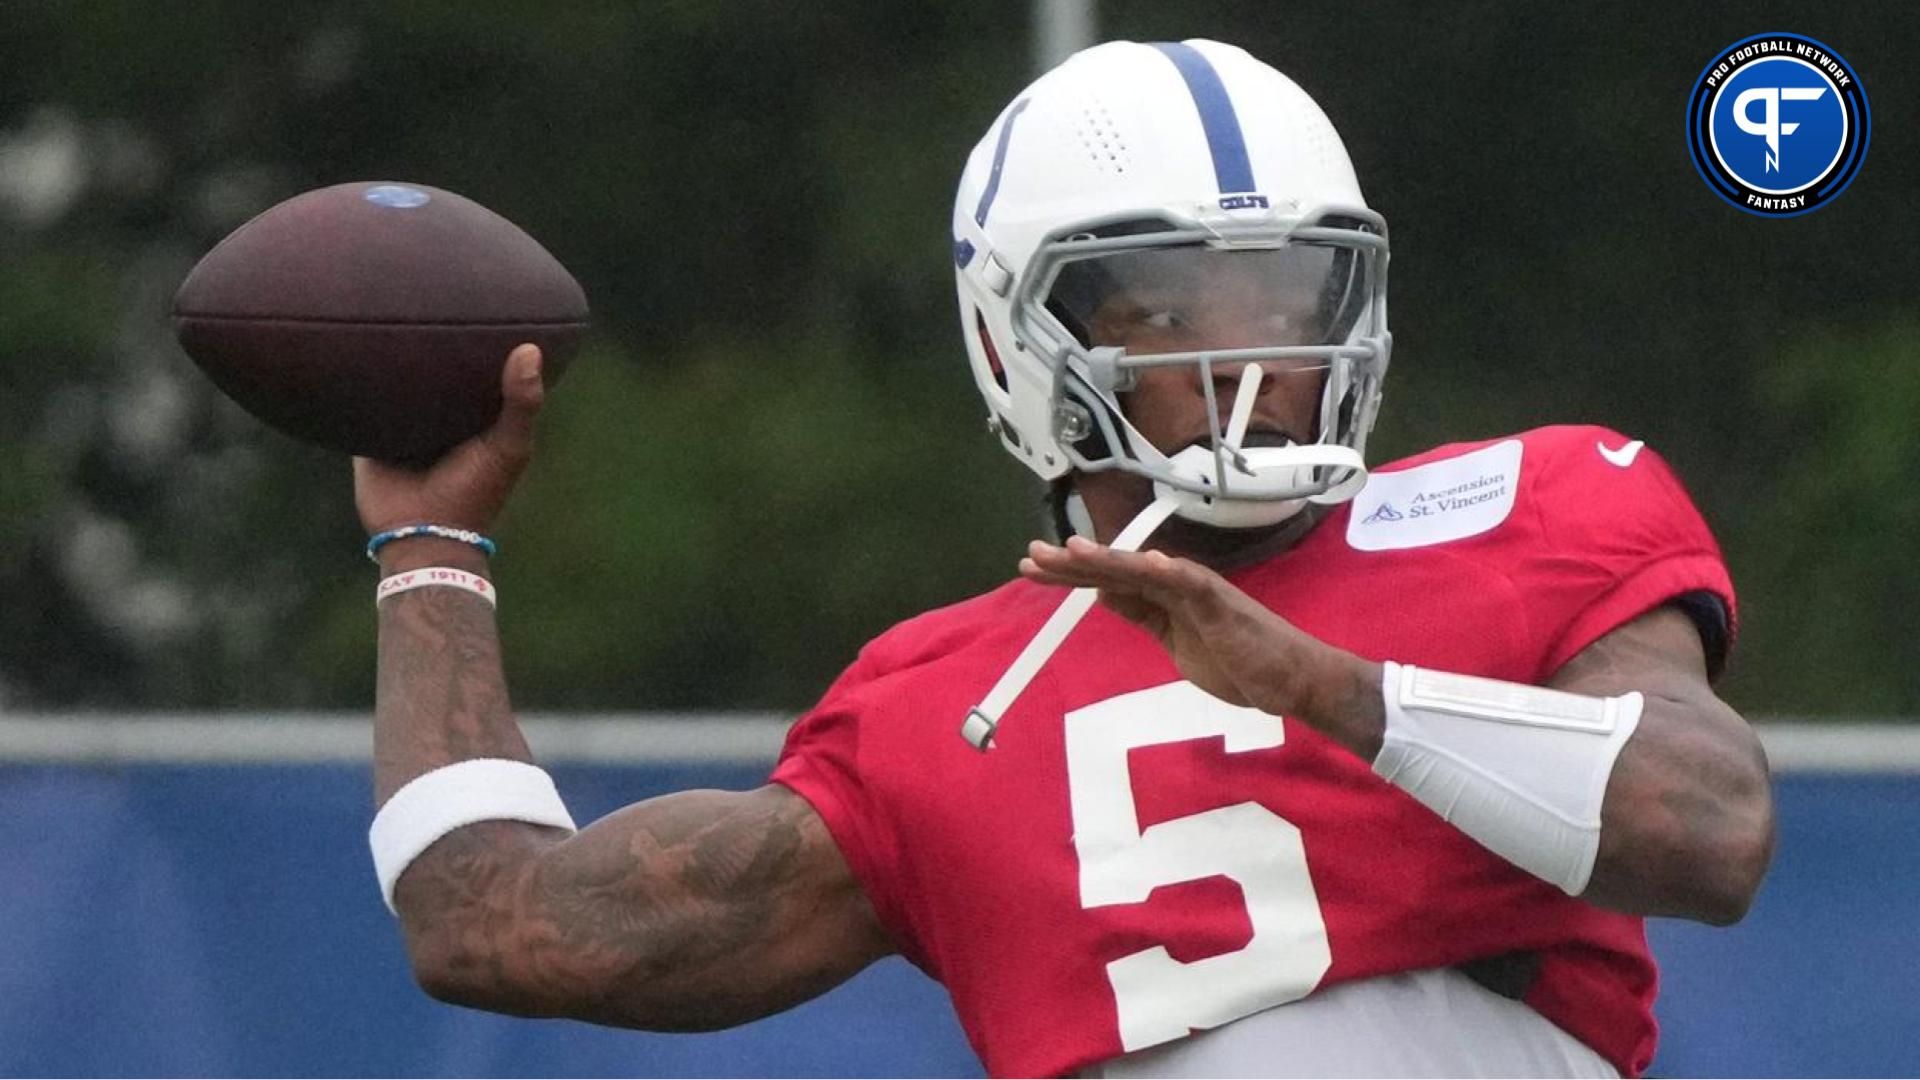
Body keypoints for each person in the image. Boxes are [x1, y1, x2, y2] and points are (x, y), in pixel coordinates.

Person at [354, 39, 1772, 1079]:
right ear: (1012, 340)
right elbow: (494, 922)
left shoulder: (1536, 504)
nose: (1254, 357)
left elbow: (1707, 833)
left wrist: (1324, 686)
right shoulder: (935, 709)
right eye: (1163, 308)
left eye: (1290, 293)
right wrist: (429, 547)